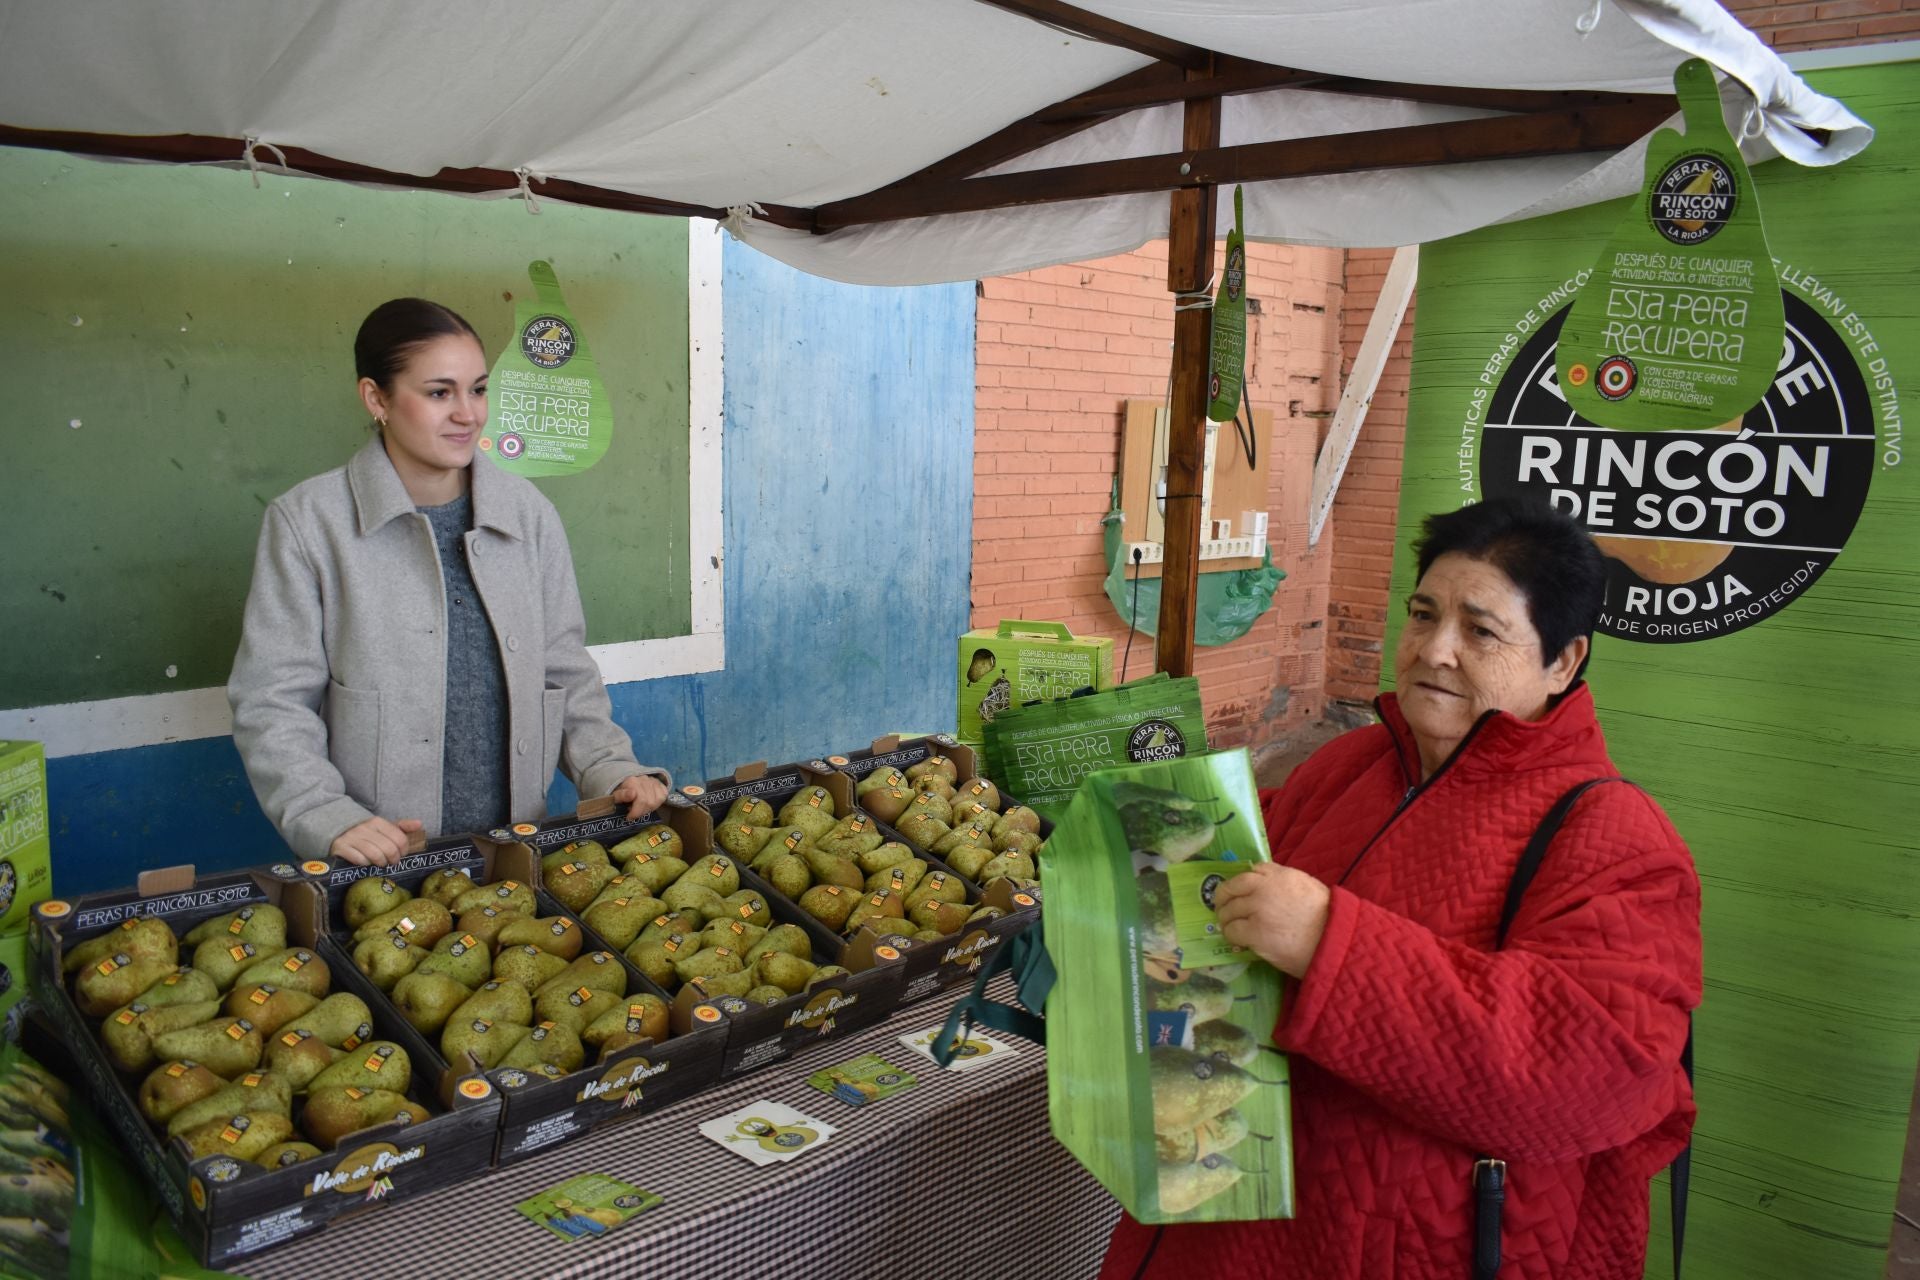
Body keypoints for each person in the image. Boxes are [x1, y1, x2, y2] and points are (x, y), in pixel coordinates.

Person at [1103, 497, 1701, 1280]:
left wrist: (1330, 943)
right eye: (1423, 615)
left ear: (1564, 661)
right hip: (1224, 1216)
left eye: (1480, 631)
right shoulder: (1346, 766)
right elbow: (1214, 904)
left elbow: (1591, 1077)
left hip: (1403, 1247)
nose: (1434, 650)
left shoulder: (1615, 840)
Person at [229, 298, 668, 866]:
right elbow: (272, 701)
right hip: (382, 857)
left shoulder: (528, 514)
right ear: (376, 398)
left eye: (478, 390)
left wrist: (611, 767)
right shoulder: (309, 523)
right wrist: (324, 814)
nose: (468, 414)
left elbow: (563, 669)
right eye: (440, 393)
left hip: (518, 848)